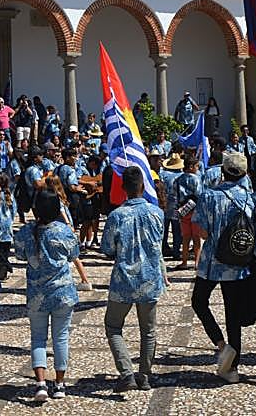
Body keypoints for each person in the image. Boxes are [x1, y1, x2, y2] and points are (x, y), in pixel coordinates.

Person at [190, 153, 256, 383]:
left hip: (212, 262)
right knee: (233, 313)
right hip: (238, 262)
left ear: (223, 172)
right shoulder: (251, 198)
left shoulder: (210, 196)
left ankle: (221, 344)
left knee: (199, 301)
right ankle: (233, 367)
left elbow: (201, 231)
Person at [100, 165, 166, 392]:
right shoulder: (157, 213)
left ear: (123, 188)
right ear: (142, 186)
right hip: (149, 278)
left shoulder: (116, 216)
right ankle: (145, 375)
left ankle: (127, 372)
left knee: (113, 326)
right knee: (148, 330)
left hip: (123, 281)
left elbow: (107, 248)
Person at [14, 190, 79, 402]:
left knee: (38, 338)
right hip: (62, 293)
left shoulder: (25, 232)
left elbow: (19, 254)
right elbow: (74, 254)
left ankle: (41, 383)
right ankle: (59, 384)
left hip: (37, 293)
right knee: (61, 337)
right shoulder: (63, 231)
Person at [158, 154, 183, 259]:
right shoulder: (181, 176)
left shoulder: (162, 174)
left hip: (164, 204)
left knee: (164, 228)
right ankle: (176, 252)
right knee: (176, 230)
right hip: (177, 205)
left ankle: (163, 248)